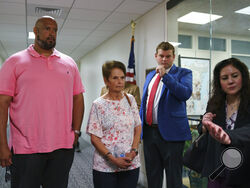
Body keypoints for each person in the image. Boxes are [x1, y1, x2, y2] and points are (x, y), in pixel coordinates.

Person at [0, 16, 85, 188]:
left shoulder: (69, 63)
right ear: (36, 30)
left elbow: (78, 98)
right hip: (26, 149)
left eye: (55, 30)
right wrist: (2, 144)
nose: (51, 33)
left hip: (62, 147)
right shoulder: (14, 62)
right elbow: (2, 105)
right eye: (47, 28)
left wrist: (76, 132)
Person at [140, 41, 192, 188]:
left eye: (168, 56)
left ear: (173, 57)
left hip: (172, 135)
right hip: (150, 132)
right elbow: (145, 103)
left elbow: (185, 93)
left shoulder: (184, 73)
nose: (164, 59)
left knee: (173, 177)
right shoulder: (150, 75)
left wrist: (166, 77)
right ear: (156, 56)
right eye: (161, 56)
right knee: (153, 174)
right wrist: (139, 129)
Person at [86, 60, 141, 188]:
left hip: (130, 163)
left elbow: (138, 127)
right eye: (115, 78)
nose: (120, 81)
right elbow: (95, 138)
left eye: (122, 77)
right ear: (106, 80)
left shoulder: (130, 99)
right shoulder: (98, 105)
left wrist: (133, 151)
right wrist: (113, 159)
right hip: (105, 166)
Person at [200, 58, 250, 188]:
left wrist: (229, 136)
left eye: (234, 76)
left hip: (244, 168)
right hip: (218, 168)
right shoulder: (215, 102)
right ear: (219, 82)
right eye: (224, 78)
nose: (230, 81)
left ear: (243, 77)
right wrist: (205, 124)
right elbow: (204, 129)